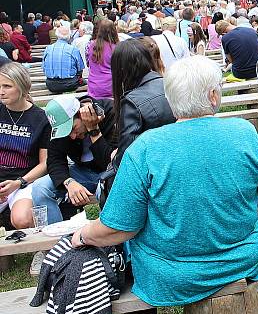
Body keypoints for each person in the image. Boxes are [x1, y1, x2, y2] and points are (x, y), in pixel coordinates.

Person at [70, 56, 258, 314]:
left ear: (169, 98)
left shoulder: (146, 147)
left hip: (172, 274)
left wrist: (82, 234)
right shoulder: (244, 133)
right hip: (242, 259)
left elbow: (119, 228)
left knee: (125, 250)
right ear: (214, 96)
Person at [30, 95, 115, 225]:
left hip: (112, 174)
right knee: (40, 187)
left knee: (104, 190)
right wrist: (68, 182)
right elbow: (54, 160)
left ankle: (109, 239)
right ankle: (57, 237)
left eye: (73, 128)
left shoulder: (111, 112)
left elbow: (111, 163)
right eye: (66, 132)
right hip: (83, 172)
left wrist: (93, 130)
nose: (73, 136)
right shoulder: (58, 125)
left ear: (81, 114)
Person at [110, 40, 176, 170]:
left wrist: (115, 159)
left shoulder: (131, 103)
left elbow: (126, 158)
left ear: (120, 69)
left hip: (157, 171)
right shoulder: (172, 85)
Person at [0, 63, 50, 228]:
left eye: (7, 86)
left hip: (24, 182)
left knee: (22, 219)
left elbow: (44, 163)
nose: (1, 91)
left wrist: (19, 182)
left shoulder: (41, 118)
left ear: (22, 88)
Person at [42, 24, 85, 93]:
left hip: (51, 85)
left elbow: (44, 68)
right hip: (70, 84)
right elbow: (80, 69)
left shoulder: (48, 48)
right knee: (84, 82)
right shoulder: (73, 49)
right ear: (69, 36)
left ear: (57, 35)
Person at [86, 19, 119, 99]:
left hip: (93, 87)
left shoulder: (90, 45)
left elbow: (88, 64)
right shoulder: (116, 48)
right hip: (111, 88)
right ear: (114, 30)